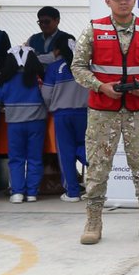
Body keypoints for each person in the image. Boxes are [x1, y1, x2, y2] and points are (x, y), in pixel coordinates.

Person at [71, 0, 139, 245]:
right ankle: (93, 221)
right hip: (103, 110)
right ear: (108, 1)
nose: (123, 1)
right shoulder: (94, 30)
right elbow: (78, 67)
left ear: (134, 0)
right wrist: (100, 86)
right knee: (98, 167)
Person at [0, 47, 48, 204]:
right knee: (35, 158)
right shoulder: (38, 77)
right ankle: (32, 193)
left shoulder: (4, 79)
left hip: (14, 124)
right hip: (37, 122)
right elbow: (47, 97)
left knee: (16, 159)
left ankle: (17, 193)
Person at [41, 32, 86, 202]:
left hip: (62, 115)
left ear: (57, 50)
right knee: (87, 147)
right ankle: (93, 173)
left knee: (66, 152)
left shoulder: (54, 68)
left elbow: (46, 94)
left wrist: (50, 107)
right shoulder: (86, 67)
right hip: (86, 114)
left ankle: (72, 192)